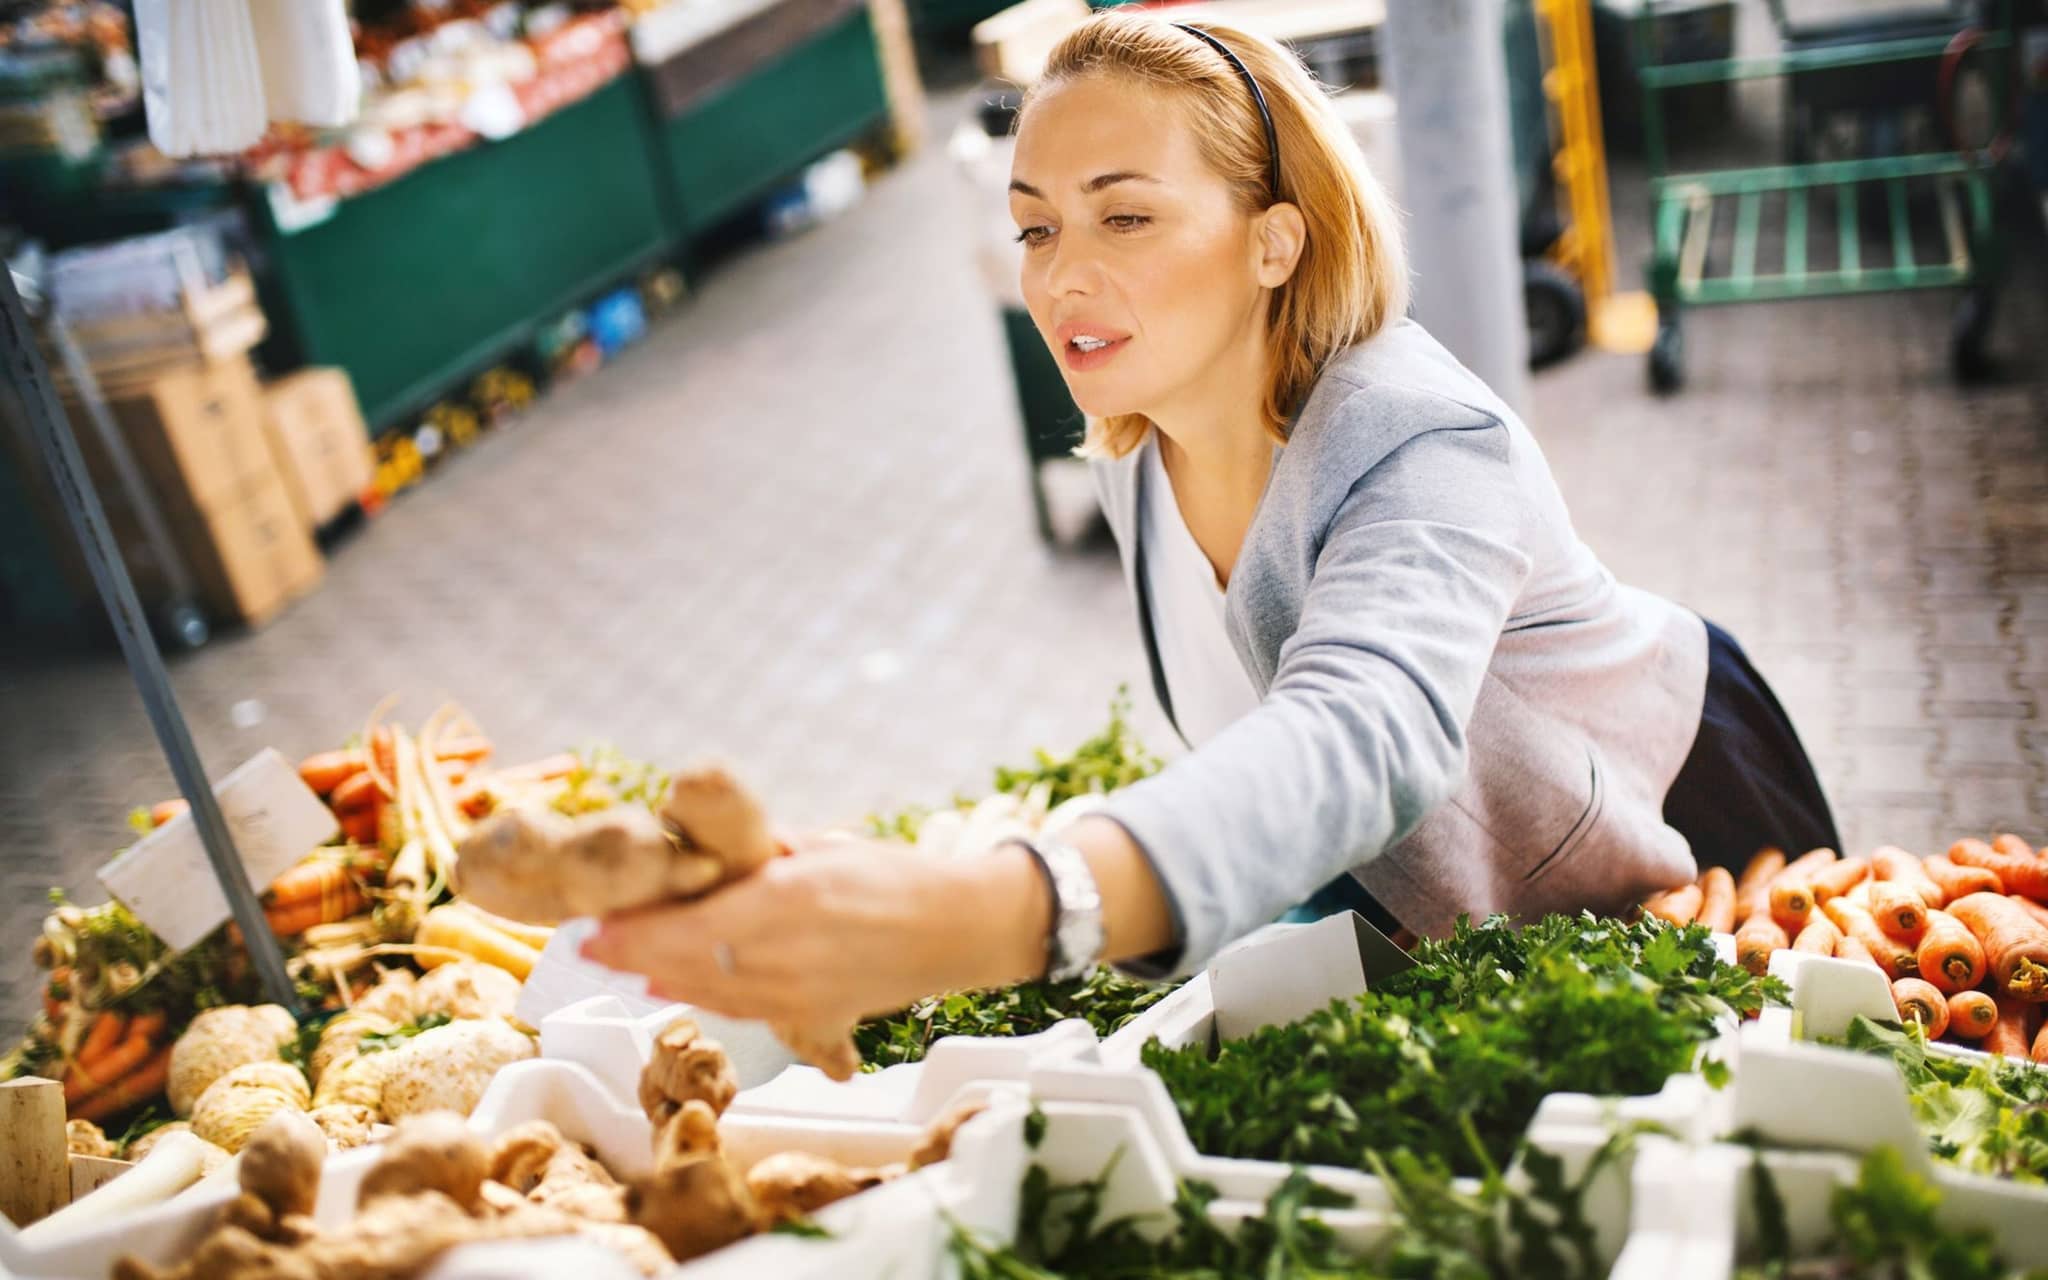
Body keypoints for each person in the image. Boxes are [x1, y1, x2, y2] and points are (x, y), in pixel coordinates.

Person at [578, 13, 1838, 1029]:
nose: (1062, 272)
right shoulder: (1137, 444)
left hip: (1665, 837)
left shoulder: (1420, 439)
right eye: (1033, 224)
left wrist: (989, 910)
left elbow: (1362, 732)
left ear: (1273, 241)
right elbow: (1256, 748)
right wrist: (879, 887)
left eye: (1124, 214)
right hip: (1444, 934)